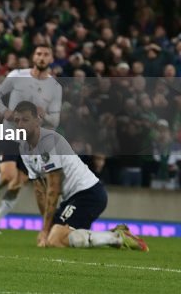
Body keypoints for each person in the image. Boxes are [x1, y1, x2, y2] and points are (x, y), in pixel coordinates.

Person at [14, 101, 147, 251]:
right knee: (57, 236)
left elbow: (53, 187)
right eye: (17, 120)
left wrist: (45, 231)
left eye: (25, 120)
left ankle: (117, 237)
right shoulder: (24, 147)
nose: (20, 125)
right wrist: (46, 225)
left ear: (37, 120)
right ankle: (112, 235)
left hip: (89, 194)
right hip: (71, 199)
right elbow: (39, 189)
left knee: (54, 239)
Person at [0, 43, 62, 234]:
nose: (42, 57)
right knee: (8, 176)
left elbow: (55, 120)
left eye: (46, 54)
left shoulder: (55, 87)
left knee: (19, 182)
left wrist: (45, 116)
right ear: (33, 57)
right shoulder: (17, 76)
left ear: (51, 59)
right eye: (38, 54)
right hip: (10, 131)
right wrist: (6, 111)